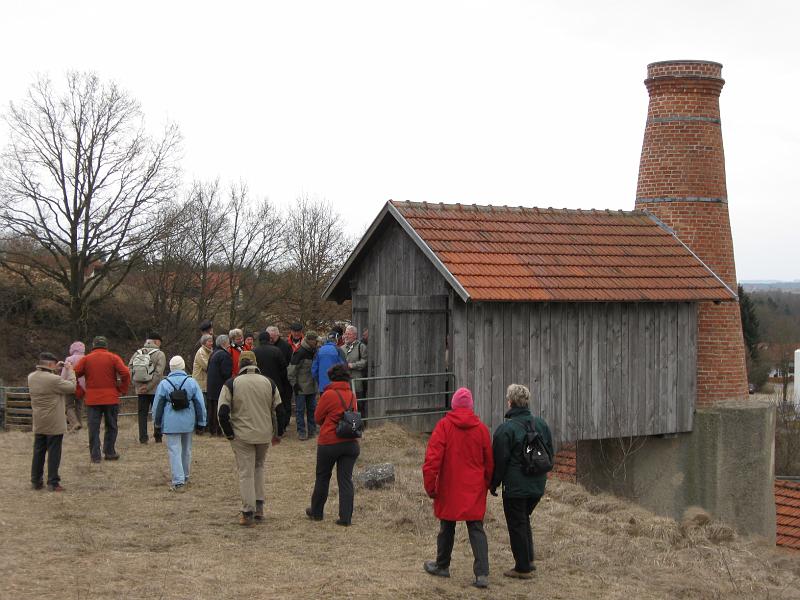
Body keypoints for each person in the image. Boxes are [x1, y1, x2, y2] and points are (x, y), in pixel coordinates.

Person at [422, 387, 493, 589]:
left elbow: (432, 459)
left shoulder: (444, 426)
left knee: (447, 527)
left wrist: (430, 485)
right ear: (471, 406)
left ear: (453, 405)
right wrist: (487, 483)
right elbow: (489, 462)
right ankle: (482, 574)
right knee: (476, 528)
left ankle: (442, 565)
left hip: (449, 485)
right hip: (474, 487)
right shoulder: (481, 429)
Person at [490, 384, 554, 579]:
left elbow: (499, 461)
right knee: (523, 519)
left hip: (516, 487)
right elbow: (550, 452)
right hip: (537, 484)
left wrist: (493, 484)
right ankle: (529, 560)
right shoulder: (541, 424)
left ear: (510, 402)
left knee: (516, 523)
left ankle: (522, 568)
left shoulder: (505, 429)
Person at [218, 351, 282, 526]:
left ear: (240, 364)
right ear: (255, 363)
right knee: (259, 467)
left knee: (246, 473)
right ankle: (260, 506)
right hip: (264, 434)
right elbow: (279, 410)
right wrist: (277, 433)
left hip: (242, 435)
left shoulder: (231, 384)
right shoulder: (269, 382)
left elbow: (222, 412)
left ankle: (248, 512)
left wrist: (229, 433)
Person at [306, 363, 361, 526]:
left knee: (323, 477)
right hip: (350, 442)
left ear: (332, 377)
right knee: (346, 480)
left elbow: (317, 418)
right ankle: (345, 518)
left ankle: (316, 512)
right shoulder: (352, 395)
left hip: (329, 442)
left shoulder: (328, 394)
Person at [152, 356, 207, 493]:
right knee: (186, 449)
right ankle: (186, 476)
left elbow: (157, 406)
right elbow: (200, 404)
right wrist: (201, 422)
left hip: (171, 422)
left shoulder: (164, 384)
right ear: (182, 366)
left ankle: (178, 480)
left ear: (170, 367)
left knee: (174, 450)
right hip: (188, 420)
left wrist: (157, 424)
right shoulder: (191, 382)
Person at [74, 336, 131, 463]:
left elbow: (74, 374)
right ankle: (109, 452)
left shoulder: (86, 359)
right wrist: (122, 388)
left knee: (93, 428)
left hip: (92, 399)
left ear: (93, 345)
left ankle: (95, 456)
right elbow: (126, 373)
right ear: (106, 346)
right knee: (111, 426)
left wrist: (79, 391)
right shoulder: (113, 357)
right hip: (111, 398)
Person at [29, 352, 77, 491]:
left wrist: (58, 368)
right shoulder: (53, 380)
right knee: (54, 452)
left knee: (38, 451)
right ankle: (53, 482)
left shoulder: (31, 377)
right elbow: (71, 387)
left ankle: (36, 481)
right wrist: (70, 370)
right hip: (54, 421)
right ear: (50, 364)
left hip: (39, 420)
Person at [128, 333, 166, 444]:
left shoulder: (137, 353)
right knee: (157, 412)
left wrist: (138, 385)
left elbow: (129, 369)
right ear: (157, 341)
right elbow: (158, 374)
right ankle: (158, 436)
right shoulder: (159, 354)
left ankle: (143, 438)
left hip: (140, 390)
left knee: (142, 414)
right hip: (155, 390)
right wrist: (148, 387)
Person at [254, 331, 291, 435]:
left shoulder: (254, 351)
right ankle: (280, 429)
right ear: (269, 339)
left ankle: (262, 429)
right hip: (275, 383)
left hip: (259, 383)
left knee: (261, 408)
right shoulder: (276, 351)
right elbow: (284, 367)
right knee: (277, 407)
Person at [288, 331, 318, 441]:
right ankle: (301, 432)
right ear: (310, 340)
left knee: (312, 409)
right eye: (315, 340)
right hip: (300, 387)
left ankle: (312, 431)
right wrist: (294, 384)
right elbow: (291, 370)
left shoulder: (314, 351)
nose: (317, 342)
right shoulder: (299, 352)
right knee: (300, 411)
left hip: (312, 387)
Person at [206, 334, 233, 437]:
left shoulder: (213, 354)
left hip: (211, 386)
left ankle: (212, 430)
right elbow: (226, 373)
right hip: (220, 386)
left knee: (212, 409)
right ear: (224, 343)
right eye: (228, 343)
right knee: (219, 408)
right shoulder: (224, 355)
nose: (229, 345)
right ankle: (219, 430)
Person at [343, 325, 368, 418]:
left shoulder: (361, 347)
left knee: (359, 404)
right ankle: (348, 425)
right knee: (346, 405)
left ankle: (360, 425)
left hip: (357, 382)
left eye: (349, 334)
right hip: (345, 382)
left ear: (355, 335)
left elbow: (364, 362)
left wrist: (352, 365)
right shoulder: (342, 348)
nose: (346, 336)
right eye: (346, 334)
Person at [62, 341, 86, 431]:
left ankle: (74, 423)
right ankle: (80, 424)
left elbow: (65, 372)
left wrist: (62, 383)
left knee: (69, 406)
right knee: (79, 406)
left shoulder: (69, 359)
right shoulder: (86, 358)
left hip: (70, 384)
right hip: (83, 387)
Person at [192, 334, 214, 406]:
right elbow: (207, 366)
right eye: (209, 341)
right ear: (204, 342)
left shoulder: (211, 351)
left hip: (207, 384)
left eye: (212, 341)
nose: (211, 343)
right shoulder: (201, 352)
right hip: (200, 385)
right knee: (202, 406)